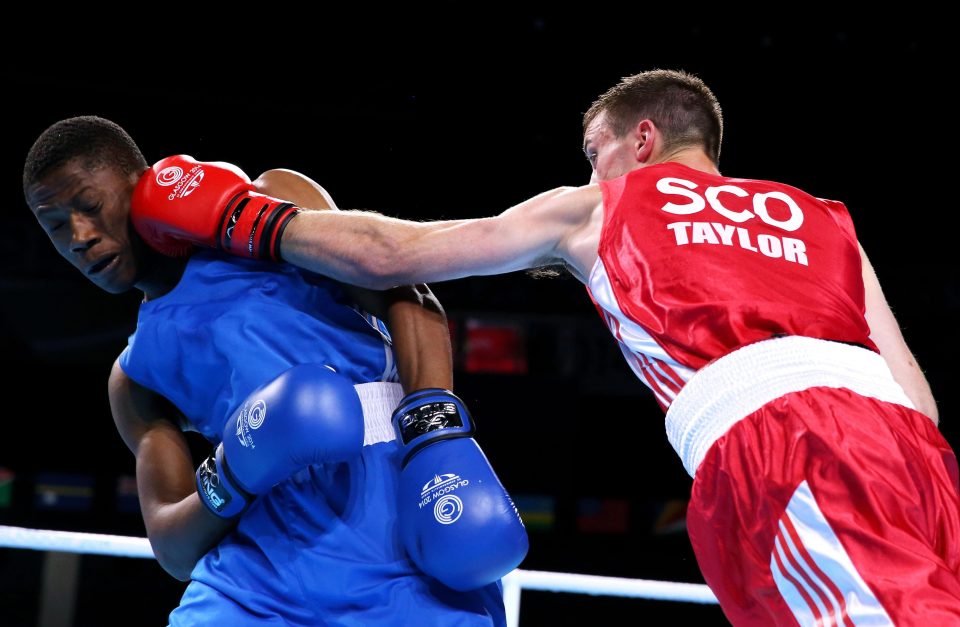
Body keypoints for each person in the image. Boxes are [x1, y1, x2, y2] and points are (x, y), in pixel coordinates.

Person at [131, 69, 959, 625]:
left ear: (640, 141)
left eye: (595, 150)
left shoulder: (602, 203)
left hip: (784, 449)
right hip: (909, 456)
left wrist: (244, 216)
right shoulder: (825, 214)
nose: (592, 166)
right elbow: (912, 388)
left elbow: (395, 258)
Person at [22, 116, 527, 626]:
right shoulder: (134, 378)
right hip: (255, 585)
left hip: (401, 532)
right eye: (56, 225)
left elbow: (408, 292)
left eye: (89, 206)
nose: (80, 237)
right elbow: (173, 549)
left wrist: (435, 435)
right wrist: (232, 472)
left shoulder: (269, 199)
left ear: (143, 181)